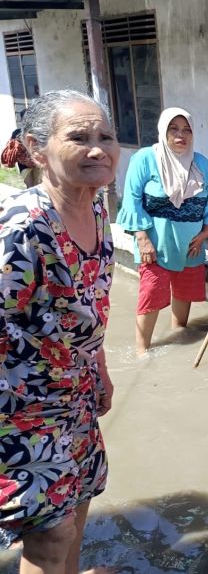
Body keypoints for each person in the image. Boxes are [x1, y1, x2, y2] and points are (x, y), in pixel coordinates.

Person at [0, 90, 119, 573]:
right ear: (36, 148)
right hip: (20, 404)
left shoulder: (96, 209)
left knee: (79, 500)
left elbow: (93, 309)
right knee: (49, 534)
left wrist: (102, 372)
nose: (98, 149)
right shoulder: (22, 227)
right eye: (79, 137)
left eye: (105, 137)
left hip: (76, 392)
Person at [117, 108, 208, 355]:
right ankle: (142, 352)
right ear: (163, 131)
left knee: (184, 291)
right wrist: (142, 238)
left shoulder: (201, 164)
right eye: (173, 129)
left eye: (186, 129)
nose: (181, 135)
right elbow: (132, 200)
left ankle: (179, 341)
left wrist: (206, 232)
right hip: (155, 245)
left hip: (192, 245)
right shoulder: (145, 159)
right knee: (151, 294)